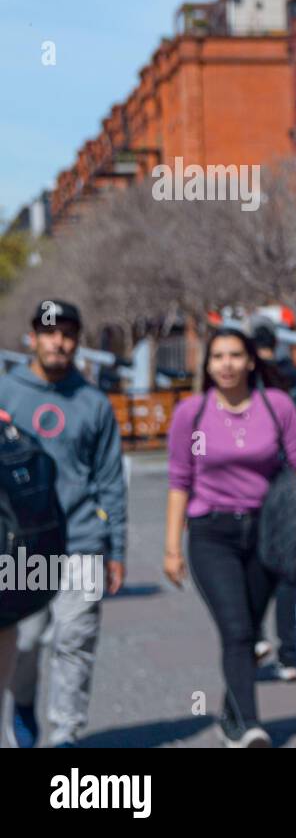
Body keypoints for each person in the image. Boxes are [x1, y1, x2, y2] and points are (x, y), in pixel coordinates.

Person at [164, 327, 296, 747]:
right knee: (236, 631)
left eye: (235, 355)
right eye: (217, 357)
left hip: (267, 532)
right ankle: (249, 726)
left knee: (247, 630)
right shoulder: (191, 414)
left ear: (251, 361)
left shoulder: (277, 405)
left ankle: (232, 715)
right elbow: (179, 480)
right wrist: (171, 547)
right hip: (212, 535)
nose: (226, 364)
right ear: (208, 365)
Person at [0, 299, 127, 749]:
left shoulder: (93, 403)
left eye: (68, 333)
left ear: (77, 340)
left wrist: (116, 549)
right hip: (22, 547)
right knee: (26, 642)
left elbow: (111, 480)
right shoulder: (5, 393)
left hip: (82, 541)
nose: (59, 341)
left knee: (75, 640)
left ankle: (65, 736)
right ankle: (23, 704)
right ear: (33, 337)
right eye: (49, 332)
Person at [247, 319, 296, 681]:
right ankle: (289, 653)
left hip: (253, 483)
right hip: (295, 482)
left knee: (254, 563)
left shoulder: (248, 383)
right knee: (289, 568)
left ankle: (251, 638)